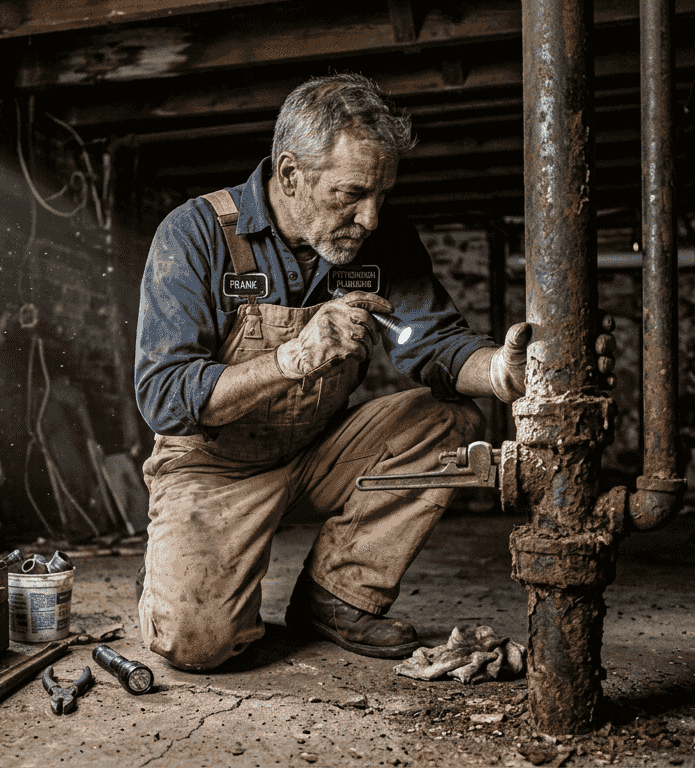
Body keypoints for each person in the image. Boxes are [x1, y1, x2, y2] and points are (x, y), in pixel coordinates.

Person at [133, 73, 612, 671]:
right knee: (197, 643)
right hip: (214, 466)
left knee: (445, 420)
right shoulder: (195, 233)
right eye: (352, 194)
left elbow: (434, 342)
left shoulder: (380, 242)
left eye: (382, 195)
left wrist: (501, 372)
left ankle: (338, 596)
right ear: (290, 174)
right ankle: (176, 571)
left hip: (317, 452)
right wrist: (287, 360)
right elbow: (164, 395)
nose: (371, 218)